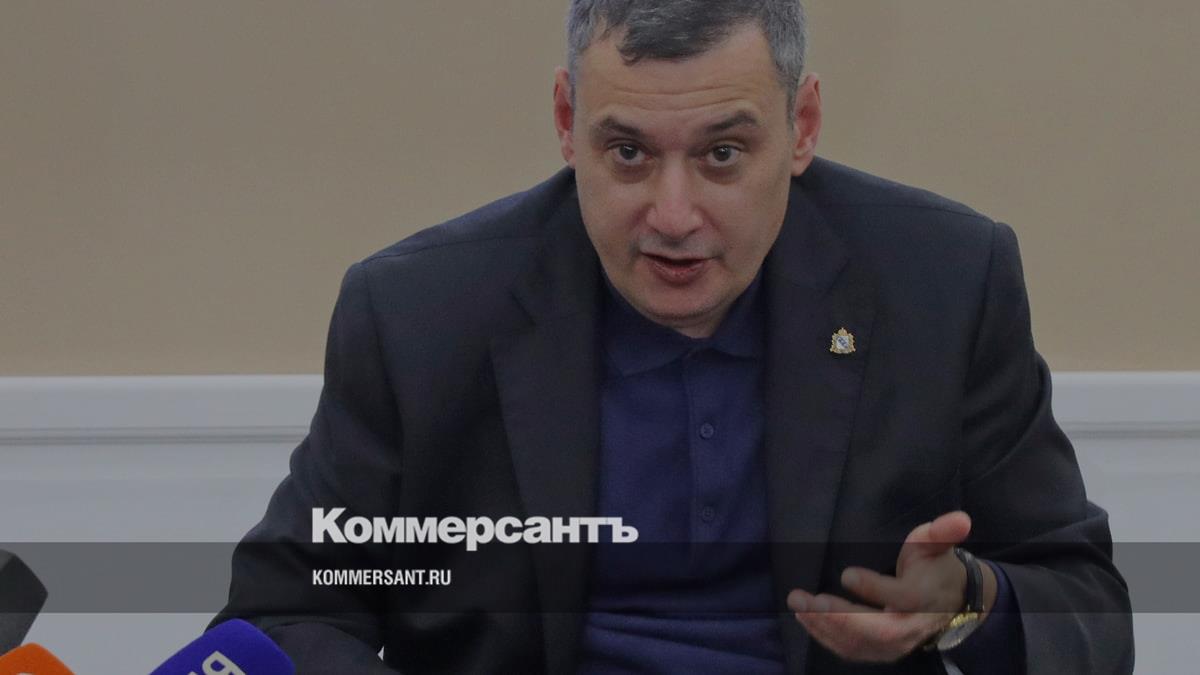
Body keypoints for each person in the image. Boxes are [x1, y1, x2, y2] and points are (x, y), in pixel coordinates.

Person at [215, 1, 1133, 672]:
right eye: (629, 153)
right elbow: (283, 614)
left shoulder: (944, 282)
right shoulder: (420, 313)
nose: (674, 215)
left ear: (802, 127)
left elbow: (1091, 612)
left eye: (722, 155)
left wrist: (968, 601)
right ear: (567, 123)